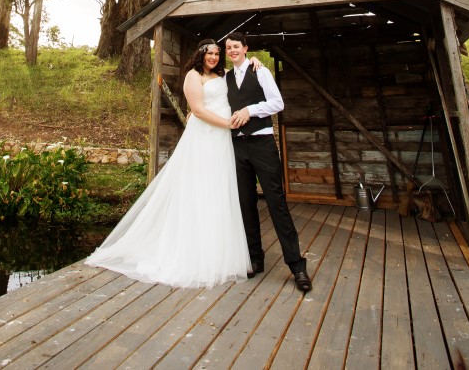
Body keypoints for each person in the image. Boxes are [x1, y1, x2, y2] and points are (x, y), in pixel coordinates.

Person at [84, 39, 252, 288]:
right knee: (199, 188)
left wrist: (254, 61)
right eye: (210, 53)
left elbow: (242, 71)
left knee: (219, 189)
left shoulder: (224, 74)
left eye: (217, 53)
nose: (214, 57)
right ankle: (191, 251)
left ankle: (218, 250)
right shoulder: (193, 76)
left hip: (222, 141)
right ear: (200, 55)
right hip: (205, 136)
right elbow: (198, 110)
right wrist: (227, 124)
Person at [225, 32, 313, 293]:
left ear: (245, 48)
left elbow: (277, 103)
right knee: (245, 203)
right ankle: (255, 259)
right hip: (238, 146)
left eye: (236, 47)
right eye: (228, 47)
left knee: (276, 202)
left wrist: (249, 111)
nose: (232, 51)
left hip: (262, 144)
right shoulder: (225, 79)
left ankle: (297, 265)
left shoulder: (259, 71)